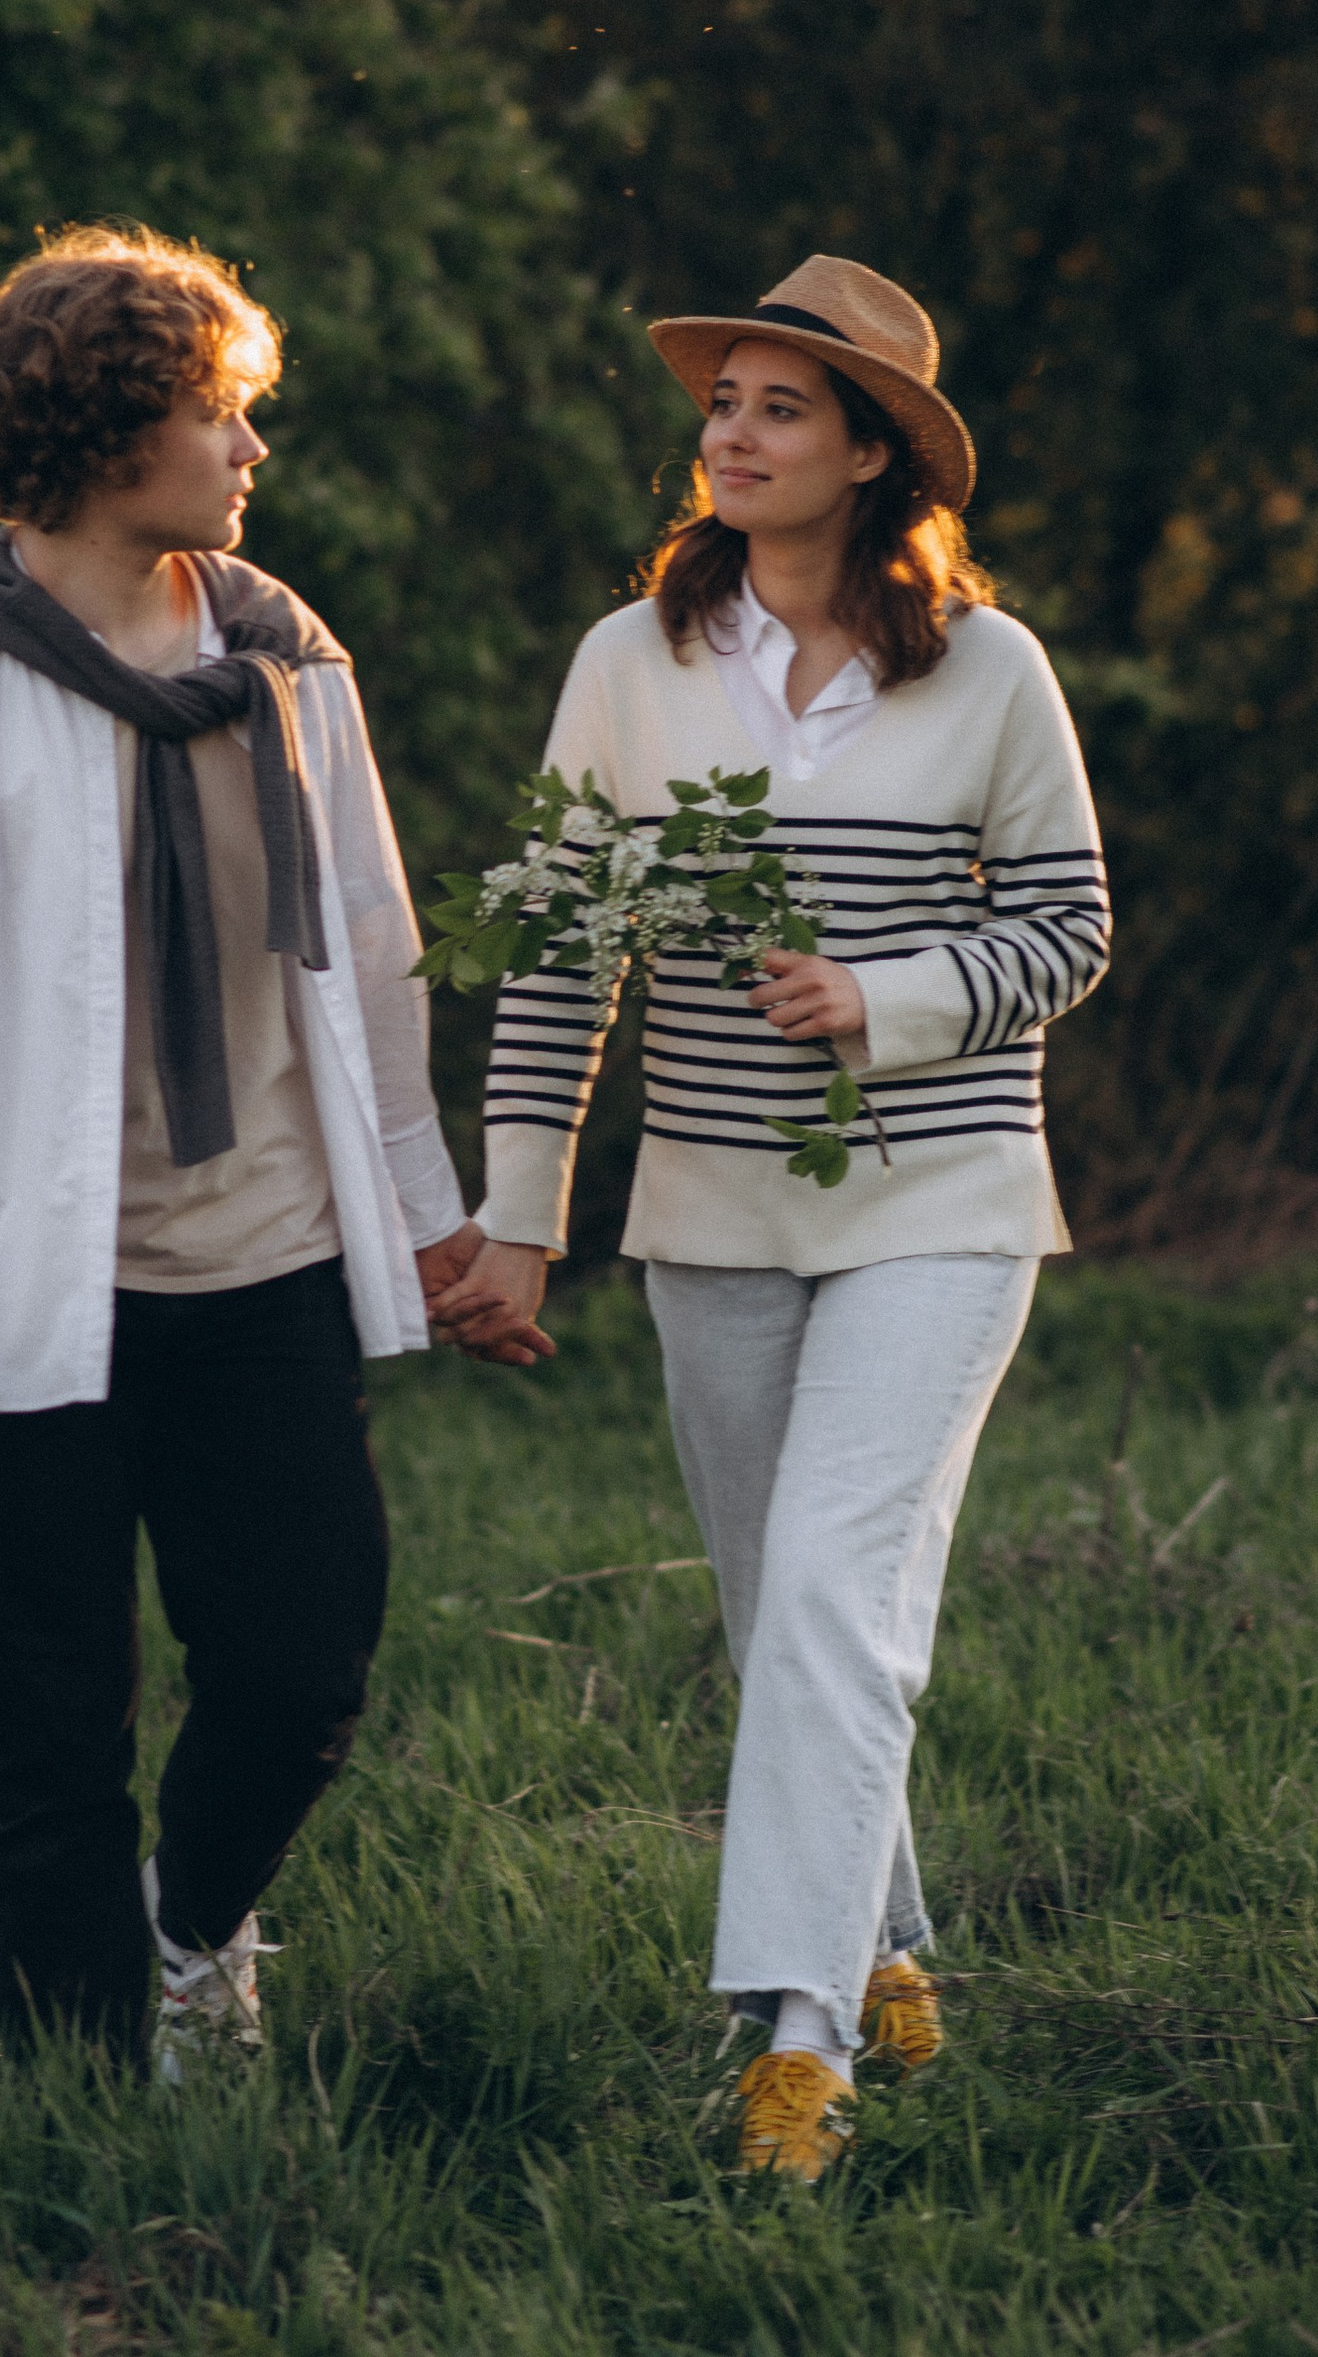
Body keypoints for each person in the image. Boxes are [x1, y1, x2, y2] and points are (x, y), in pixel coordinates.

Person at [0, 225, 515, 2077]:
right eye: (218, 416)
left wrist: (428, 1221)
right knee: (46, 1741)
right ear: (108, 443)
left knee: (300, 1670)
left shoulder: (286, 662)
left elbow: (378, 962)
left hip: (264, 1266)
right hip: (20, 1303)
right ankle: (75, 2133)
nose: (251, 454)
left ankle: (190, 1933)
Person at [432, 255, 1109, 2181]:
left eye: (777, 407)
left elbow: (1069, 931)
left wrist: (881, 1001)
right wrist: (518, 1217)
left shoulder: (993, 671)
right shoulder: (627, 666)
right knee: (779, 1613)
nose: (728, 433)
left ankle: (792, 2043)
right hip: (716, 1213)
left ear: (873, 451)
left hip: (948, 1198)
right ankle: (886, 1942)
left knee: (828, 1582)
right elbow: (563, 953)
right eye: (722, 402)